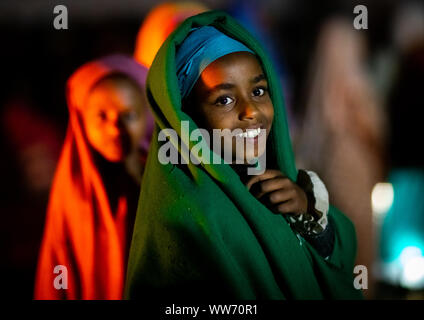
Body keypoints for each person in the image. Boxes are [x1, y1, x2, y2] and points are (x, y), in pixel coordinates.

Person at [125, 11, 362, 299]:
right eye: (224, 99)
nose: (251, 111)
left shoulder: (281, 185)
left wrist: (305, 212)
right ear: (185, 119)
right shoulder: (189, 220)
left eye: (260, 91)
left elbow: (340, 255)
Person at [34, 55, 154, 299]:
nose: (115, 128)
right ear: (81, 118)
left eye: (128, 115)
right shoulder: (72, 194)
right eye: (101, 116)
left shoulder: (165, 180)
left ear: (147, 115)